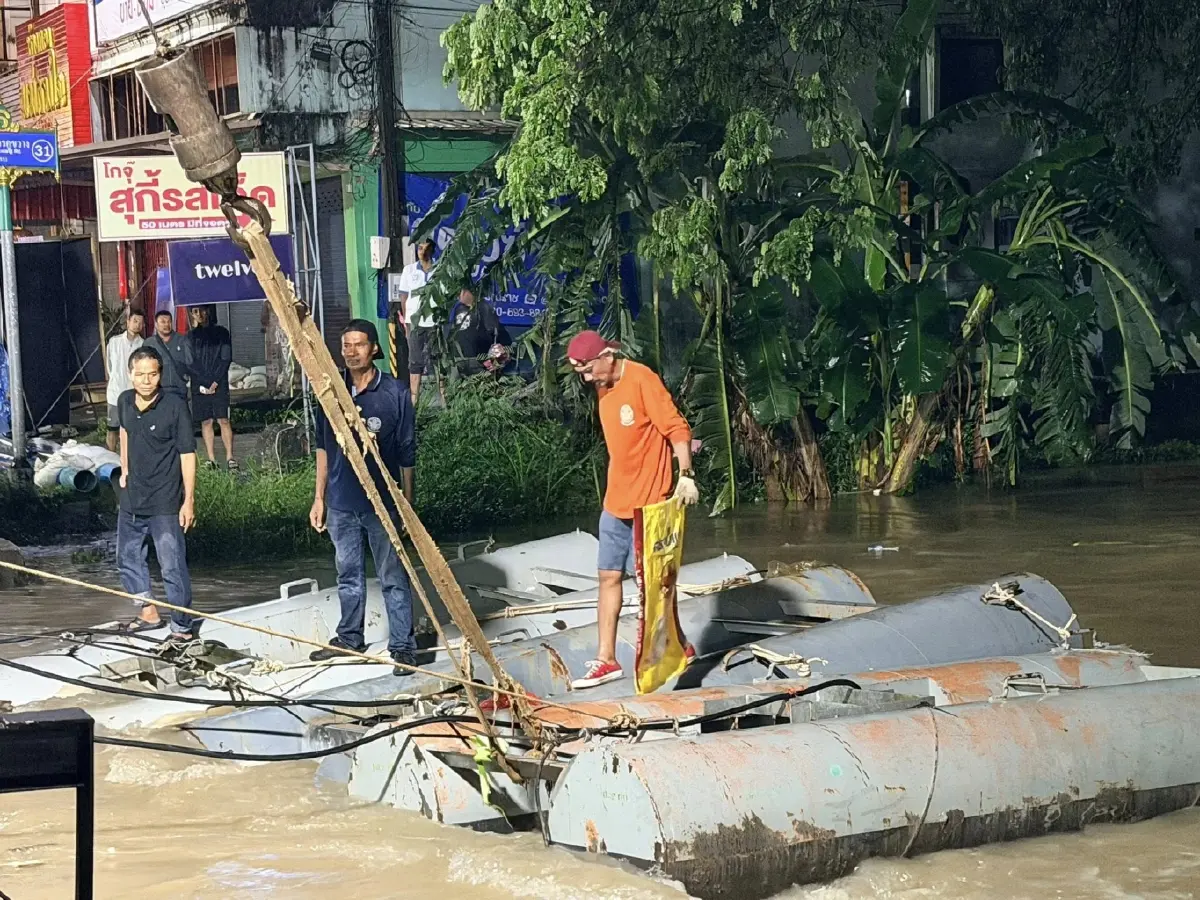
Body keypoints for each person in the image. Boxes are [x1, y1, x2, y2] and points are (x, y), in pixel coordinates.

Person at [565, 330, 699, 689]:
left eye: (589, 370)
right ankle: (606, 660)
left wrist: (685, 475)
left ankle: (676, 646)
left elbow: (676, 428)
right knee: (607, 577)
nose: (587, 379)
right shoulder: (602, 385)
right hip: (615, 502)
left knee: (654, 584)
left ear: (607, 356)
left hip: (650, 504)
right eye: (581, 373)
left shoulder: (642, 379)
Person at [308, 320, 420, 676]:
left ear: (373, 348)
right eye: (346, 345)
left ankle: (403, 646)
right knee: (348, 574)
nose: (352, 352)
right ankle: (350, 637)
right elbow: (323, 448)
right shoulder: (332, 390)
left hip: (382, 504)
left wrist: (407, 504)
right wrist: (319, 497)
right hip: (341, 502)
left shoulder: (393, 392)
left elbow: (407, 451)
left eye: (359, 345)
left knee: (392, 576)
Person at [114, 345, 198, 640]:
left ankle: (182, 627)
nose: (146, 381)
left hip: (165, 500)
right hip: (132, 497)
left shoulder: (175, 406)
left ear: (160, 374)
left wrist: (189, 500)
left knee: (171, 565)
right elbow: (124, 431)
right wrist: (125, 468)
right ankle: (148, 612)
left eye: (152, 374)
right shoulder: (125, 401)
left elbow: (187, 454)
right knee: (127, 557)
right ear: (130, 374)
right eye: (140, 375)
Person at [188, 305, 236, 471]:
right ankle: (211, 459)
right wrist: (203, 382)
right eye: (195, 311)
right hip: (199, 384)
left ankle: (230, 457)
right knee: (206, 421)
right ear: (192, 315)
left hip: (219, 383)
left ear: (208, 311)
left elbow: (226, 358)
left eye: (202, 310)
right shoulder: (190, 336)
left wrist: (214, 381)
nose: (199, 314)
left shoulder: (222, 332)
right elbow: (190, 362)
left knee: (223, 419)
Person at [398, 238, 437, 404]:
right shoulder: (409, 270)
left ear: (432, 250)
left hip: (435, 322)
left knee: (438, 361)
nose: (422, 252)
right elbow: (404, 297)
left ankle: (445, 404)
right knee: (415, 362)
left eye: (425, 248)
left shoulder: (439, 270)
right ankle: (415, 403)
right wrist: (407, 322)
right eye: (420, 248)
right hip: (415, 322)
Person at [104, 310, 144, 452]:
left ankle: (129, 458)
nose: (137, 325)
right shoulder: (114, 342)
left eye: (140, 322)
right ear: (128, 322)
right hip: (115, 392)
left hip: (133, 393)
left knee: (131, 429)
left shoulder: (143, 345)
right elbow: (109, 365)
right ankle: (111, 458)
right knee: (112, 429)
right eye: (135, 321)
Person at [451, 284, 510, 375]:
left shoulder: (483, 308)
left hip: (469, 362)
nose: (460, 295)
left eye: (463, 292)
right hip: (464, 361)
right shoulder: (459, 308)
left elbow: (497, 335)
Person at [144, 309, 193, 401]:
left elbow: (190, 363)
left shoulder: (182, 340)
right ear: (156, 324)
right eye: (163, 322)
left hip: (180, 391)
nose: (166, 324)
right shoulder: (149, 343)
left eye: (169, 321)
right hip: (158, 391)